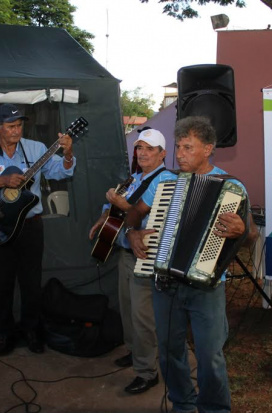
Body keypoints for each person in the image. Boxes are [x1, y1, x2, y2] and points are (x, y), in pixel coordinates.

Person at [124, 116, 258, 413]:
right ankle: (183, 405)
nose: (180, 155)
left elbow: (251, 235)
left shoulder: (231, 187)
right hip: (165, 284)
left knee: (210, 355)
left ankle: (214, 408)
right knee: (170, 352)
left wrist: (241, 231)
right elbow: (134, 214)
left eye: (188, 148)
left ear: (208, 148)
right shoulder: (163, 181)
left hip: (207, 287)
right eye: (178, 148)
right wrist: (132, 233)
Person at [0, 103, 75, 356]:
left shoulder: (36, 149)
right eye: (11, 126)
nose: (16, 130)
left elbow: (62, 171)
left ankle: (31, 331)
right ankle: (5, 333)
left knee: (31, 282)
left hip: (30, 227)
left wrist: (68, 154)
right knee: (2, 282)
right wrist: (3, 180)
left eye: (19, 125)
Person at [89, 128, 166, 394]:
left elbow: (140, 214)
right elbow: (115, 206)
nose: (142, 153)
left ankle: (147, 372)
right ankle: (135, 353)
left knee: (143, 316)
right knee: (127, 309)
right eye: (139, 148)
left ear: (162, 154)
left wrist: (120, 203)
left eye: (149, 149)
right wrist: (103, 217)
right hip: (124, 252)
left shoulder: (164, 180)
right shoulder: (135, 177)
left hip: (145, 256)